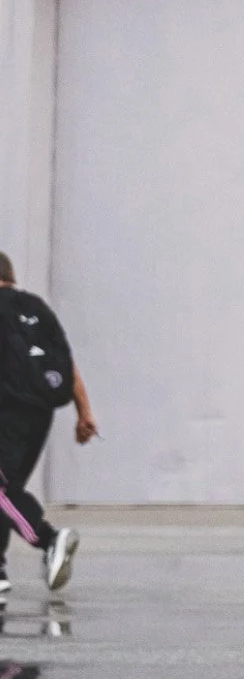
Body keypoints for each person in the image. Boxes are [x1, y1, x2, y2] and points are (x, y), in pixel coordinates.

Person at [0, 252, 93, 596]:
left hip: (6, 413)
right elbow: (67, 366)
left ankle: (50, 539)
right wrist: (84, 413)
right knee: (6, 492)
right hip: (40, 414)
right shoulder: (36, 309)